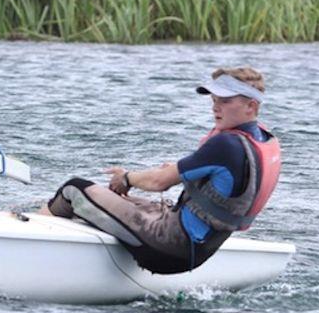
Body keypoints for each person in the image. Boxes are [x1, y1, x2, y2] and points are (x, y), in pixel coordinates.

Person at [39, 67, 282, 274]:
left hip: (168, 247)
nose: (216, 108)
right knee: (108, 198)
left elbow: (158, 183)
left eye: (225, 101)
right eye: (214, 100)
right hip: (200, 250)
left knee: (74, 188)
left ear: (251, 106)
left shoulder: (226, 144)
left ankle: (32, 232)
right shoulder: (262, 140)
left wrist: (126, 177)